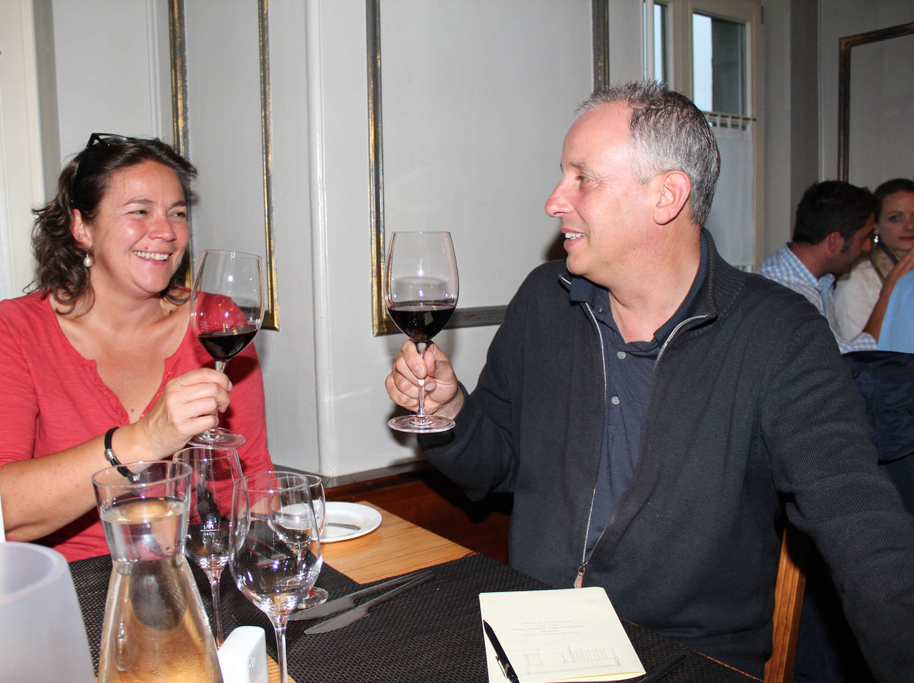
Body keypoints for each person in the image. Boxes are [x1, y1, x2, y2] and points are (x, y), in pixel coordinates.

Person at [385, 82, 914, 678]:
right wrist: (452, 411)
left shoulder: (779, 334)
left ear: (667, 196)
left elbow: (858, 523)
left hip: (685, 656)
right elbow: (496, 467)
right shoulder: (543, 301)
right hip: (532, 635)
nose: (554, 201)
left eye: (583, 178)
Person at [0, 133, 273, 561]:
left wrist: (280, 559)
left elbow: (247, 481)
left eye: (177, 213)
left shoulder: (215, 320)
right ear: (82, 227)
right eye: (139, 211)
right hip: (53, 581)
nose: (166, 231)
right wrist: (143, 440)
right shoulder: (15, 330)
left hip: (176, 572)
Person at [757, 180, 914, 353]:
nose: (868, 247)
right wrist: (888, 295)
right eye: (863, 239)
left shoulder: (820, 280)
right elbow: (847, 360)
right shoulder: (785, 293)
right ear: (834, 241)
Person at [836, 178, 914, 339]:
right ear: (876, 225)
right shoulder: (856, 280)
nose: (910, 226)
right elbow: (858, 351)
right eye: (895, 218)